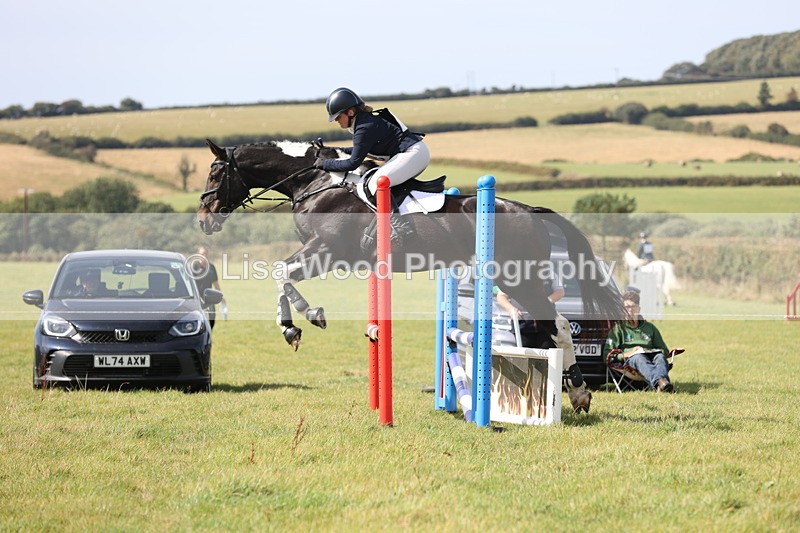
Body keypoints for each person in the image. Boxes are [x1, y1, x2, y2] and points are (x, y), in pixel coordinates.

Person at [494, 276, 593, 413]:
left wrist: (544, 303)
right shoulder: (514, 271)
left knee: (549, 365)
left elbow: (560, 292)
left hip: (545, 326)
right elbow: (501, 296)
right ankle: (529, 402)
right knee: (526, 364)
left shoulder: (549, 271)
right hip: (524, 324)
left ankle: (552, 400)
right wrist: (511, 309)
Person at [313, 87, 430, 199]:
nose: (337, 121)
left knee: (377, 182)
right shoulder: (364, 122)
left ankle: (395, 220)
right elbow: (360, 151)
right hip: (411, 153)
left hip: (413, 154)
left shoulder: (364, 128)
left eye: (338, 117)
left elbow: (352, 163)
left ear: (350, 112)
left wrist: (324, 164)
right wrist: (330, 149)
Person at [602, 290, 674, 392]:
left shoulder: (650, 328)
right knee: (639, 357)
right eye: (627, 307)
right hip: (631, 361)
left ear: (638, 309)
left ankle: (660, 385)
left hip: (651, 357)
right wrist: (627, 354)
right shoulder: (618, 329)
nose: (630, 310)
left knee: (660, 357)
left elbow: (664, 350)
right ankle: (662, 382)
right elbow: (607, 355)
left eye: (633, 307)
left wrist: (651, 351)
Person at [191, 247, 225, 329]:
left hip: (209, 296)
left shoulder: (211, 267)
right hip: (196, 296)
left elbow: (215, 283)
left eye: (206, 254)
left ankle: (209, 333)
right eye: (202, 254)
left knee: (212, 316)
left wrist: (221, 296)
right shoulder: (193, 266)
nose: (204, 256)